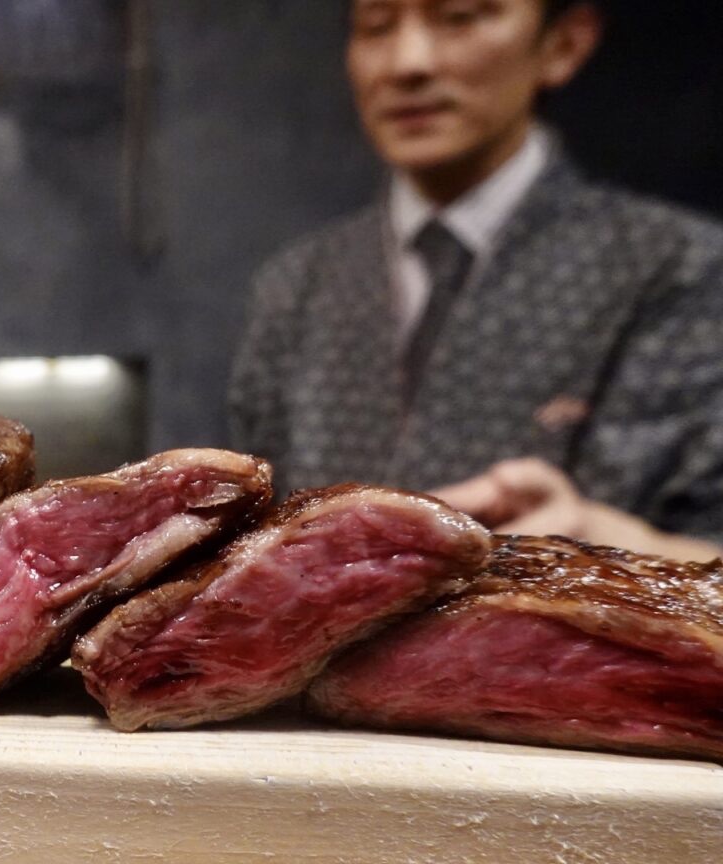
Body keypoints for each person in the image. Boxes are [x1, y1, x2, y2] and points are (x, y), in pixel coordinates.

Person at [228, 0, 723, 561]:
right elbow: (255, 537)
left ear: (562, 44)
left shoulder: (682, 268)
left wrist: (614, 539)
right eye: (376, 26)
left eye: (460, 16)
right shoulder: (295, 287)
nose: (406, 63)